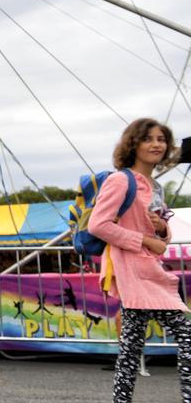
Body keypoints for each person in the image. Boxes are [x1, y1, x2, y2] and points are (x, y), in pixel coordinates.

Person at [88, 118, 188, 403]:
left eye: (161, 139)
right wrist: (144, 239)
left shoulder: (155, 187)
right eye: (148, 139)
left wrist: (159, 229)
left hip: (148, 270)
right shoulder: (120, 180)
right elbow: (99, 225)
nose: (156, 144)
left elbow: (159, 235)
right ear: (134, 144)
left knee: (131, 349)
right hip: (133, 272)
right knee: (187, 337)